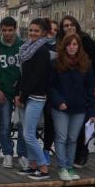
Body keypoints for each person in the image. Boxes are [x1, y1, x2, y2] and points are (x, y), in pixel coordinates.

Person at [48, 34, 95, 182]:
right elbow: (50, 86)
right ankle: (62, 166)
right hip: (61, 108)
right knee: (61, 137)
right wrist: (58, 101)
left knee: (73, 139)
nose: (72, 47)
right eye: (69, 44)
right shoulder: (56, 63)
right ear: (64, 46)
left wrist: (92, 112)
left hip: (79, 108)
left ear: (79, 46)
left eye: (75, 44)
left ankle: (70, 166)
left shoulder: (86, 64)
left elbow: (90, 89)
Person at [57, 15, 95, 168]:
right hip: (62, 100)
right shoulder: (58, 52)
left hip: (81, 95)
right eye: (65, 25)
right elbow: (53, 82)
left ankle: (78, 157)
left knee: (78, 132)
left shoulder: (86, 44)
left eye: (71, 25)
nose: (69, 28)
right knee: (63, 135)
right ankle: (64, 163)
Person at [14, 18, 51, 180]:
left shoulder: (42, 51)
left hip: (36, 96)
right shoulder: (27, 48)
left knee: (29, 133)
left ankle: (43, 167)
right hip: (27, 95)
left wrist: (22, 95)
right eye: (31, 30)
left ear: (43, 33)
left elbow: (36, 77)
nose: (32, 33)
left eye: (36, 31)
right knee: (26, 132)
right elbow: (25, 75)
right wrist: (18, 92)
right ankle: (32, 165)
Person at [0, 17, 27, 169]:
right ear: (1, 29)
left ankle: (22, 154)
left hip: (20, 92)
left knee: (22, 125)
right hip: (4, 92)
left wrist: (23, 91)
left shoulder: (23, 45)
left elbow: (27, 71)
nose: (7, 33)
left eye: (10, 30)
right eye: (4, 30)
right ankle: (7, 153)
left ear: (15, 29)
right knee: (5, 124)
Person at [41, 19, 59, 164]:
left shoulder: (61, 46)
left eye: (55, 30)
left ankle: (47, 150)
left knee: (50, 123)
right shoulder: (38, 45)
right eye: (50, 29)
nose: (52, 32)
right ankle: (31, 155)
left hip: (53, 90)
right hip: (39, 89)